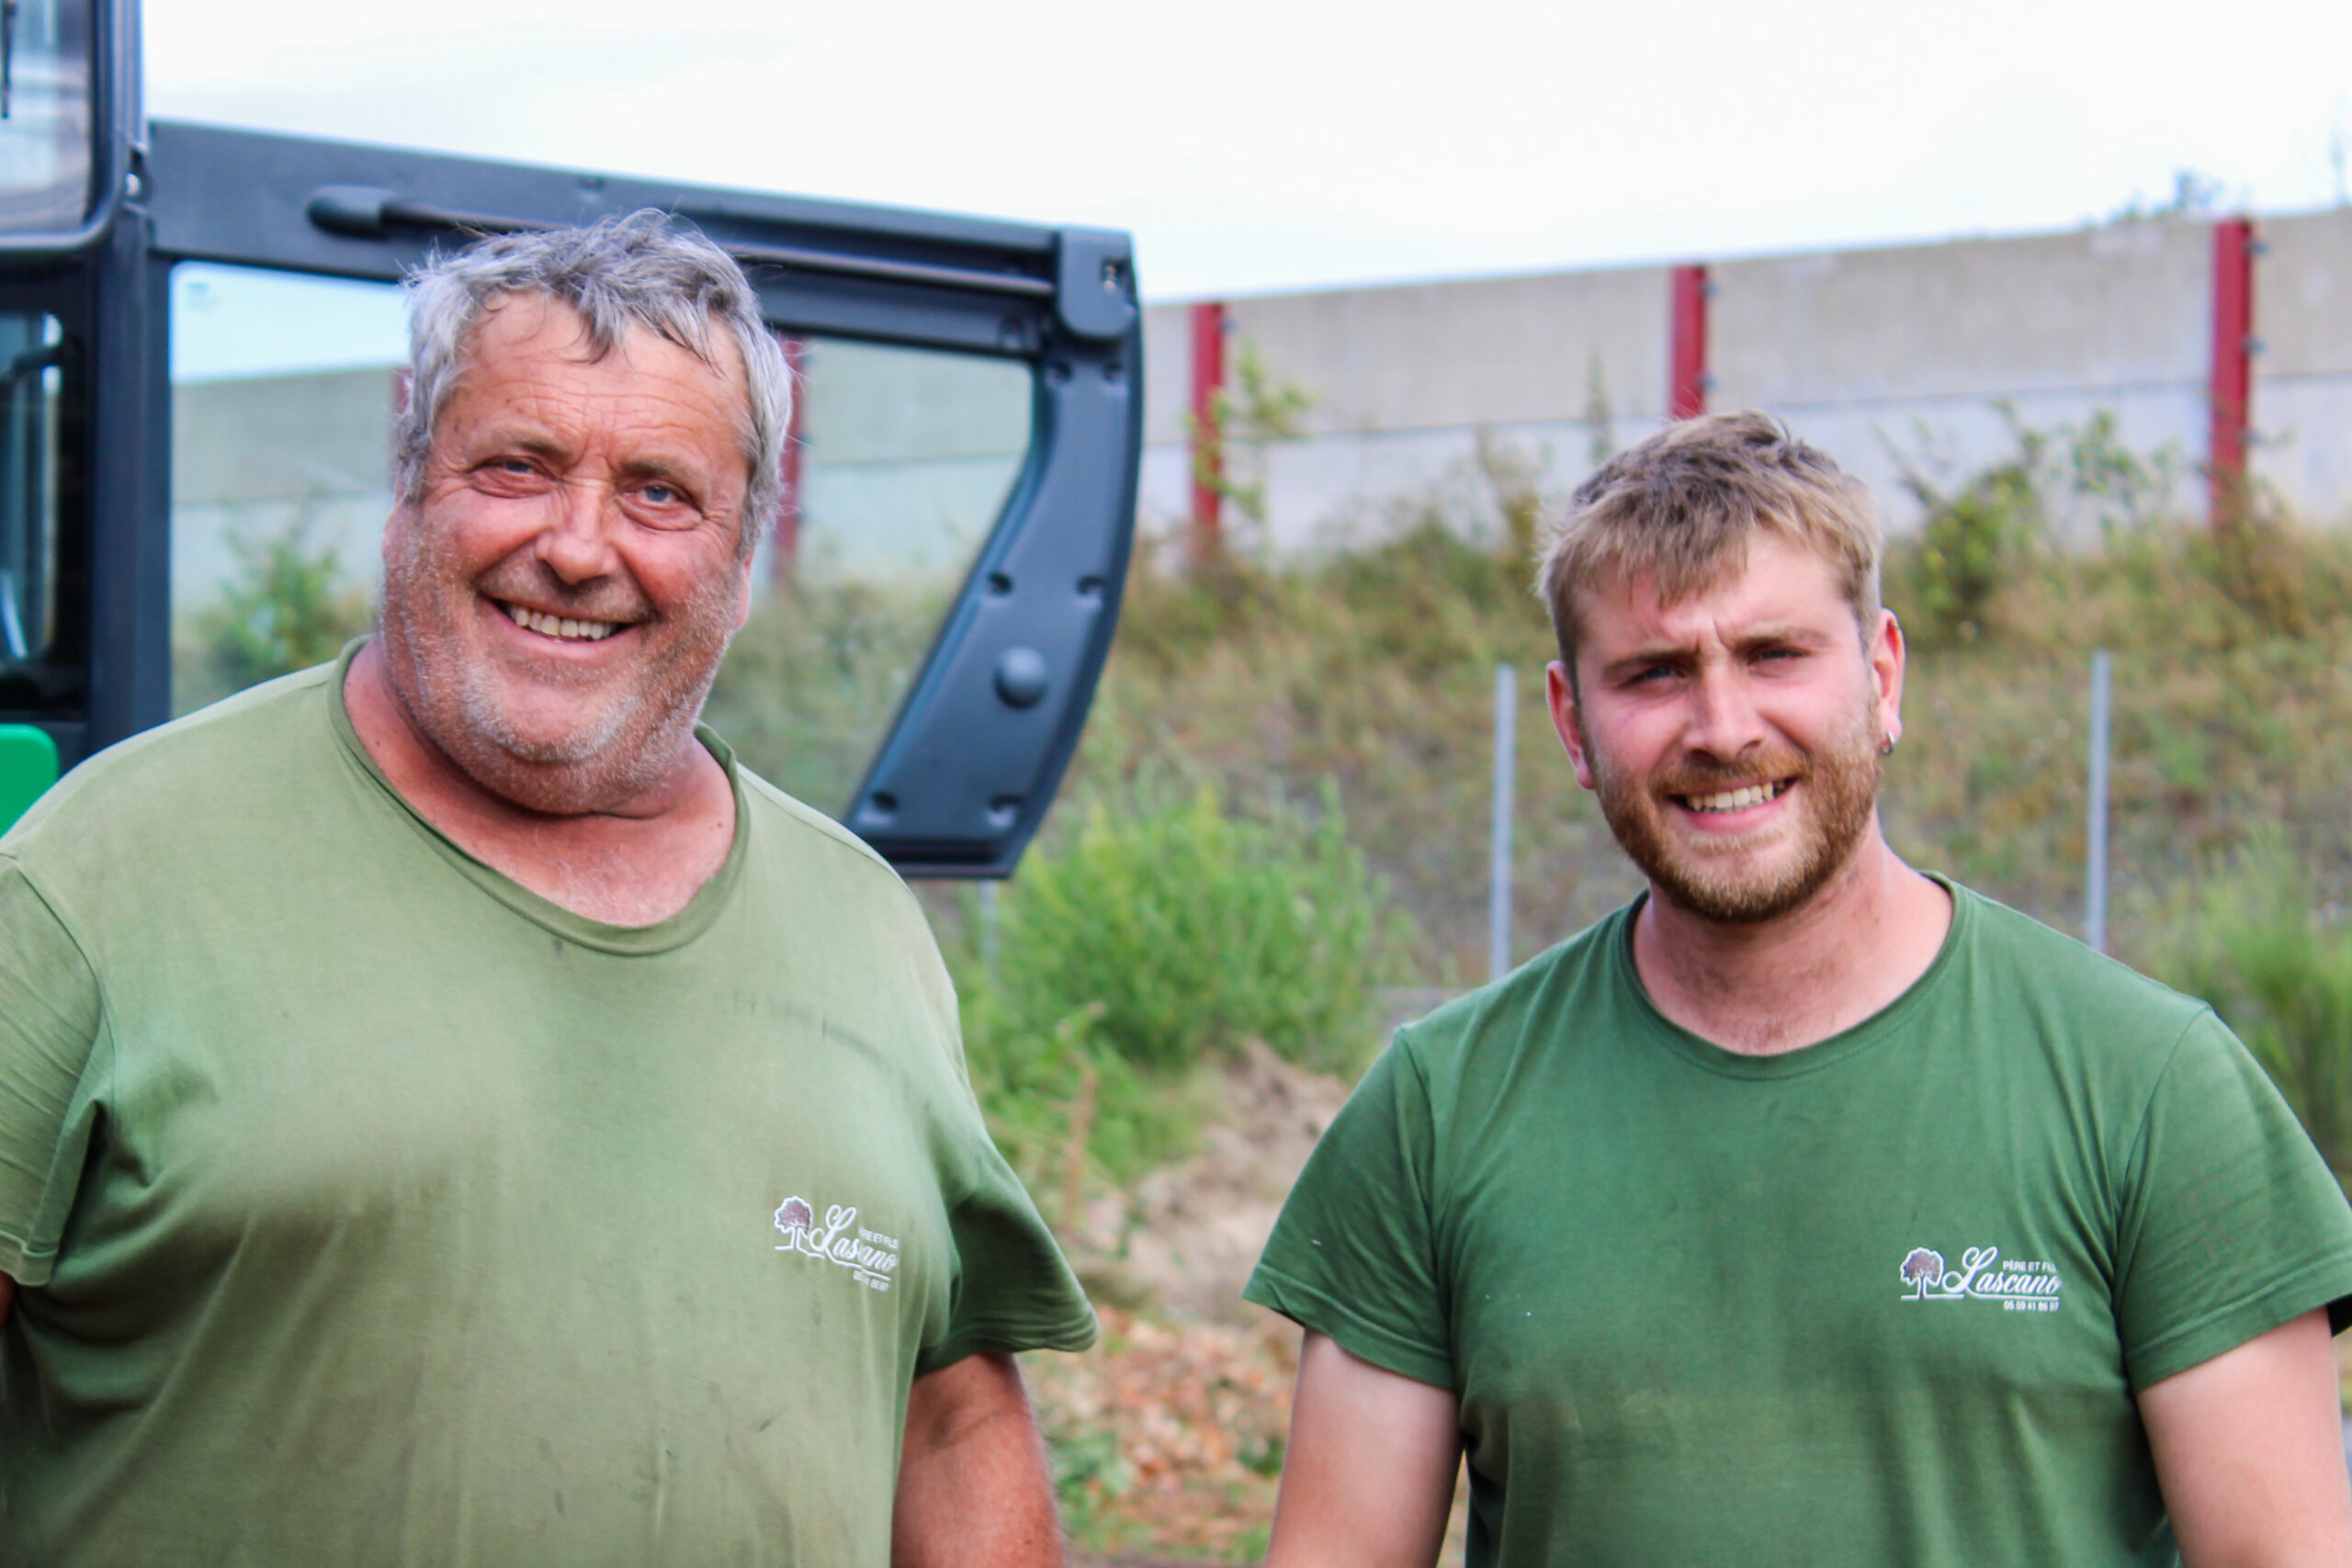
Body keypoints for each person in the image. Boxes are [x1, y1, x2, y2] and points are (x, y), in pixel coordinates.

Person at [0, 213, 1094, 1566]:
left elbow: (948, 1417)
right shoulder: (101, 874)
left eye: (659, 493)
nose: (579, 546)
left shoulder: (861, 924)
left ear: (742, 553)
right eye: (518, 466)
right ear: (410, 477)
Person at [1247, 412, 2352, 1567]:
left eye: (1773, 654)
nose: (1722, 728)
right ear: (1572, 724)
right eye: (1654, 673)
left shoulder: (2152, 1091)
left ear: (1880, 676)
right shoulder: (1439, 1111)